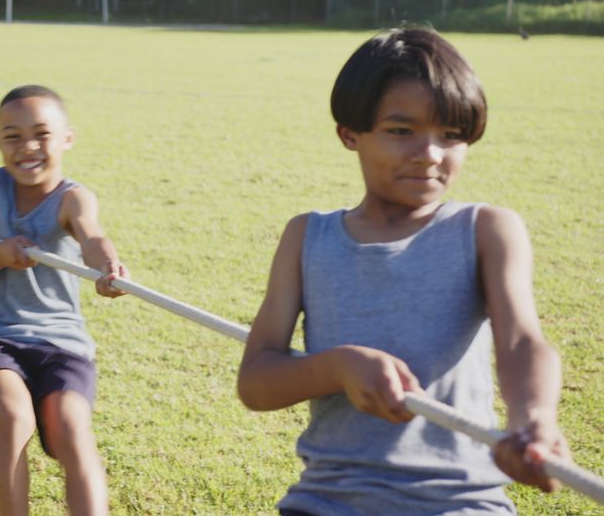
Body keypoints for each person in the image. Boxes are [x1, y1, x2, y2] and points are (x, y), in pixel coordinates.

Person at [236, 28, 569, 515]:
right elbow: (257, 382)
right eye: (401, 130)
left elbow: (522, 342)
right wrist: (338, 366)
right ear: (350, 133)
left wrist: (533, 418)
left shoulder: (487, 231)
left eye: (450, 135)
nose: (430, 153)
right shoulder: (307, 238)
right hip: (328, 502)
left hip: (458, 503)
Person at [0, 85, 127, 515]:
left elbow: (93, 237)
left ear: (67, 138)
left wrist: (109, 266)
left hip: (62, 343)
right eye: (12, 136)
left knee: (69, 429)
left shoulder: (72, 198)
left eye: (42, 134)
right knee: (12, 418)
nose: (27, 147)